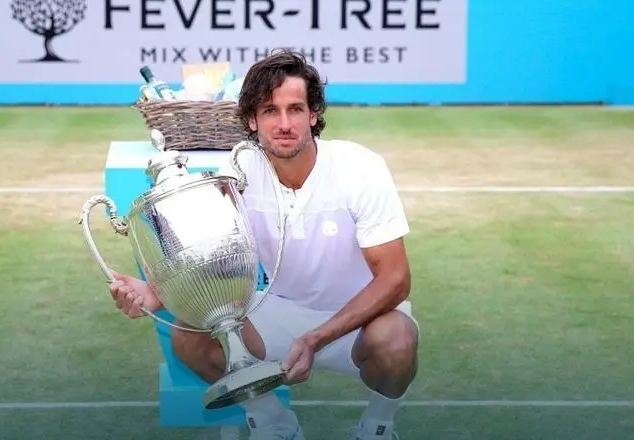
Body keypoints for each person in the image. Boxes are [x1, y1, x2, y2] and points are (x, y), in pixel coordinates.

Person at [109, 50, 419, 440]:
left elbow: (395, 279)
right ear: (252, 121)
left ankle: (377, 426)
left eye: (295, 109)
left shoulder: (361, 167)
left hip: (359, 319)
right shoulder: (237, 174)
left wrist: (315, 338)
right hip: (279, 311)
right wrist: (154, 294)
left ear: (313, 114)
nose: (284, 123)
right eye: (270, 111)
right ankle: (272, 421)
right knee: (189, 337)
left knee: (398, 340)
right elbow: (206, 254)